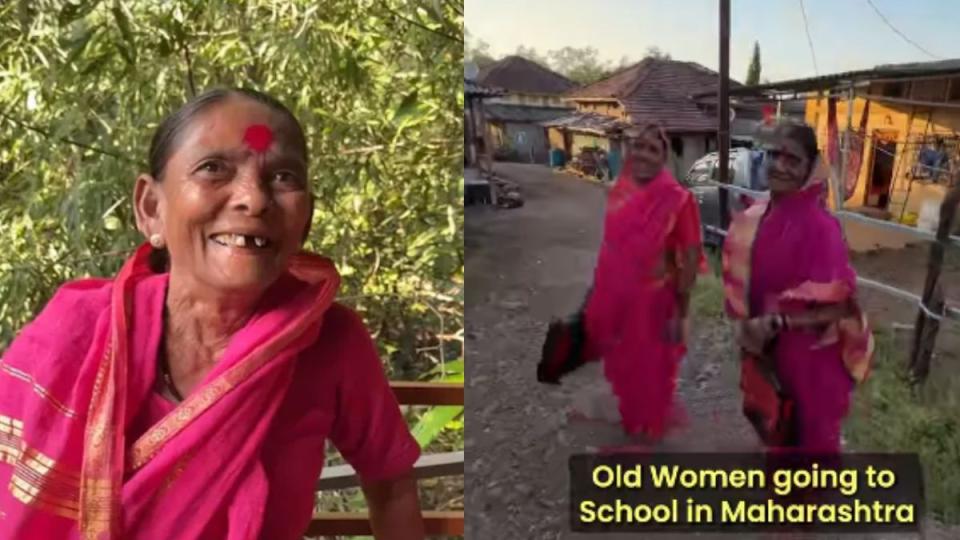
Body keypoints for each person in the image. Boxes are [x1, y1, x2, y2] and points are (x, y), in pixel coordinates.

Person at [0, 88, 425, 539]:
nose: (254, 199)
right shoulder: (77, 330)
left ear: (307, 219)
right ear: (151, 209)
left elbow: (392, 484)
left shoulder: (332, 341)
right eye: (213, 169)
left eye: (283, 177)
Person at [722, 121, 874, 452]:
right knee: (774, 432)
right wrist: (748, 328)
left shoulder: (822, 229)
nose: (780, 165)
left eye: (792, 160)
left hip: (810, 362)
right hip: (765, 352)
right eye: (774, 155)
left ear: (810, 169)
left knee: (808, 445)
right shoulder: (752, 218)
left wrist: (780, 322)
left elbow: (841, 306)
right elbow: (742, 286)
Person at [574, 123, 706, 441]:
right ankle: (634, 415)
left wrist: (681, 311)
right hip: (618, 299)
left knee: (653, 371)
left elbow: (689, 259)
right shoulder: (621, 192)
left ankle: (649, 435)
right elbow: (611, 248)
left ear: (664, 159)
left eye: (653, 150)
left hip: (655, 303)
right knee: (624, 365)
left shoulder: (679, 200)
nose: (644, 155)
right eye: (640, 147)